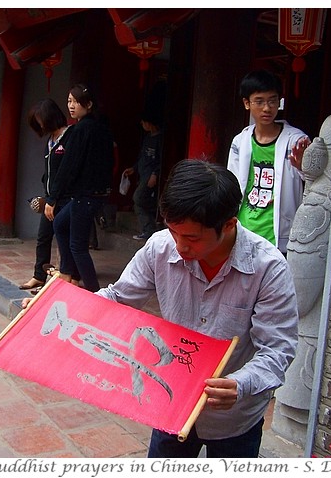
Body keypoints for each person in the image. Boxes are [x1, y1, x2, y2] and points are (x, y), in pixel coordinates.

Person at [95, 159, 299, 457]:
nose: (179, 245)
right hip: (171, 401)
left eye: (191, 237)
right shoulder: (159, 247)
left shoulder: (267, 268)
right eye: (173, 231)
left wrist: (239, 383)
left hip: (233, 419)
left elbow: (277, 349)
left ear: (228, 224)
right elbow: (118, 298)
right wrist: (54, 303)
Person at [227, 69, 311, 255]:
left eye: (272, 101)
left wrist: (303, 167)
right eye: (259, 101)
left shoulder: (296, 140)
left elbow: (312, 178)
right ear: (247, 103)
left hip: (278, 228)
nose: (267, 108)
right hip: (244, 224)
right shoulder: (240, 141)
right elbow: (230, 182)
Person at [44, 84, 114, 292]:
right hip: (91, 194)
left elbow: (68, 166)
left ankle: (94, 291)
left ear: (89, 104)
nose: (71, 106)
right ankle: (66, 274)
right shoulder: (100, 128)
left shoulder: (81, 130)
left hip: (86, 195)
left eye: (76, 102)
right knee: (60, 224)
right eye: (69, 101)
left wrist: (52, 197)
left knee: (78, 246)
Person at [19, 99, 80, 292]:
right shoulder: (50, 140)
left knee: (67, 240)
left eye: (41, 119)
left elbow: (66, 172)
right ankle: (39, 275)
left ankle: (70, 277)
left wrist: (53, 199)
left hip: (65, 198)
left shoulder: (69, 136)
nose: (40, 124)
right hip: (50, 197)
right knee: (43, 236)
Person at [123, 111, 163, 241]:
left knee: (138, 199)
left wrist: (155, 174)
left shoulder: (159, 139)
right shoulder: (147, 138)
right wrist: (134, 168)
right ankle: (150, 226)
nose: (142, 124)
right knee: (141, 199)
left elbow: (160, 160)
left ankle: (149, 229)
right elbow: (142, 157)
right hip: (143, 173)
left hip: (150, 175)